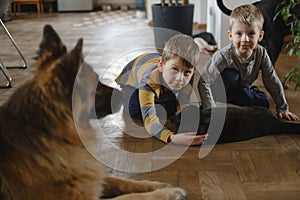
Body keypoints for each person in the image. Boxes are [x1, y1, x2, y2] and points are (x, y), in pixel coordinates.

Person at [198, 4, 299, 126]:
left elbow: (272, 80)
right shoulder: (223, 56)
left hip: (242, 88)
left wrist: (282, 108)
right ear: (230, 35)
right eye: (239, 34)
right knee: (231, 75)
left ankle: (239, 99)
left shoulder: (261, 54)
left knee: (263, 103)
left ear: (260, 36)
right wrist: (210, 111)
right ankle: (223, 101)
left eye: (251, 34)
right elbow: (204, 81)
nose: (245, 39)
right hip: (222, 87)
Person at [116, 34, 208, 146]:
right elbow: (150, 120)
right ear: (161, 65)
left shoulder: (188, 77)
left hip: (160, 77)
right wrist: (172, 137)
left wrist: (185, 119)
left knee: (171, 107)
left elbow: (183, 101)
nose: (180, 78)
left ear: (193, 71)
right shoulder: (147, 82)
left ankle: (161, 100)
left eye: (187, 72)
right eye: (174, 69)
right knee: (135, 108)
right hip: (132, 81)